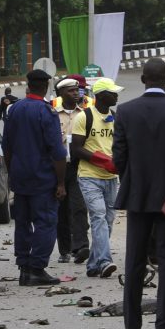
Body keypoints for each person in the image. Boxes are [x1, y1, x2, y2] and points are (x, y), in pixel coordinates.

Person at [113, 58, 165, 329]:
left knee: (134, 259)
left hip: (137, 196)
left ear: (144, 79)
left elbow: (119, 158)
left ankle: (131, 324)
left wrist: (134, 180)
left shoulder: (125, 112)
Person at [2, 69, 67, 286]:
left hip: (20, 176)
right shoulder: (47, 112)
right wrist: (61, 182)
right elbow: (57, 151)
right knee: (46, 222)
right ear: (46, 86)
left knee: (22, 222)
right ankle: (37, 268)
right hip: (43, 178)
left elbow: (7, 147)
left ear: (28, 85)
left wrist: (12, 173)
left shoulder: (14, 110)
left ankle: (24, 267)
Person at [71, 77, 124, 278]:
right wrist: (99, 159)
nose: (116, 95)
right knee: (99, 216)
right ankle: (104, 261)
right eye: (113, 92)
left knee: (108, 219)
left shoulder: (115, 117)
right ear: (101, 95)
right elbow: (76, 149)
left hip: (111, 177)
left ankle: (93, 264)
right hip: (89, 176)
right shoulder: (84, 117)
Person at [53, 78, 90, 265]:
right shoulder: (53, 114)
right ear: (61, 94)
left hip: (78, 165)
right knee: (61, 209)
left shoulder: (84, 115)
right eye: (71, 91)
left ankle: (81, 246)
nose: (76, 93)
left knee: (79, 206)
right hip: (57, 167)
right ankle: (64, 250)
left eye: (77, 90)